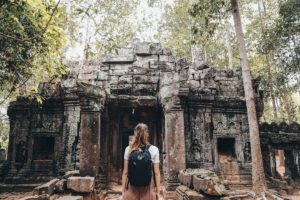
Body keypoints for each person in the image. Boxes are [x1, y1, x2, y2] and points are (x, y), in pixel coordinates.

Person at [122, 123, 161, 200]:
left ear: (135, 134)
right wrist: (158, 192)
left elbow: (125, 172)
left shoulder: (128, 149)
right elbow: (156, 173)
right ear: (147, 134)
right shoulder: (154, 149)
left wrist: (123, 190)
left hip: (132, 185)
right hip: (148, 186)